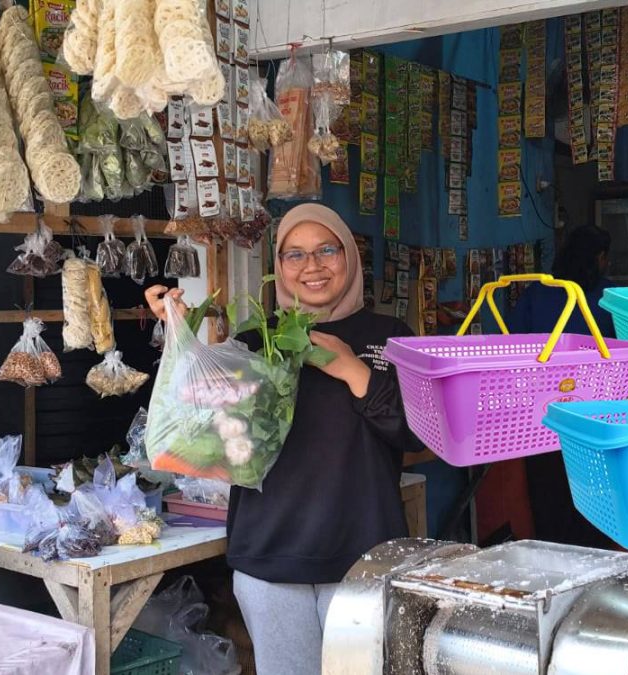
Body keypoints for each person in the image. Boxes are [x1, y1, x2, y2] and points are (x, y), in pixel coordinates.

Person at [145, 204, 424, 675]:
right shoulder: (257, 340)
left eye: (326, 251)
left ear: (350, 257)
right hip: (271, 554)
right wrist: (183, 334)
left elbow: (414, 435)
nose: (311, 267)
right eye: (294, 255)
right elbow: (207, 431)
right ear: (279, 268)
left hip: (363, 556)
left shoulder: (390, 336)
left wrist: (352, 370)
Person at [507, 224, 619, 548]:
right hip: (596, 420)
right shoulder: (609, 298)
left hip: (542, 420)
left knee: (549, 505)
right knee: (597, 510)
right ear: (600, 258)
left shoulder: (537, 294)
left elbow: (513, 347)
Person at [509, 224, 615, 338]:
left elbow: (511, 339)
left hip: (543, 355)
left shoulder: (535, 292)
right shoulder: (612, 296)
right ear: (601, 257)